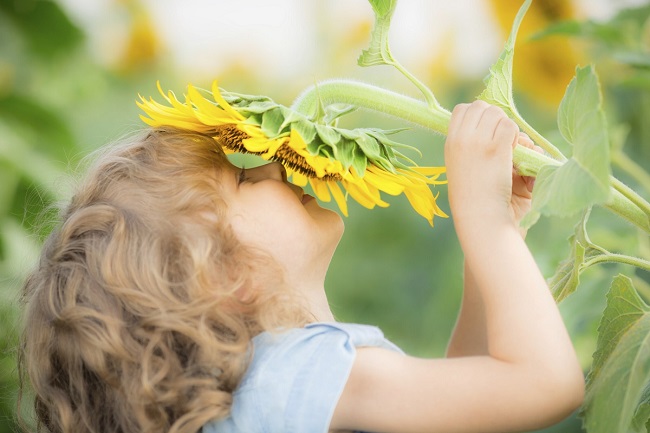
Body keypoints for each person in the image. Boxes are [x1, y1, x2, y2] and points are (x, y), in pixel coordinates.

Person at [19, 100, 584, 433]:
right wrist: (486, 222)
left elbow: (471, 405)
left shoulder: (264, 396)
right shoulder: (291, 376)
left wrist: (491, 238)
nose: (271, 168)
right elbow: (543, 383)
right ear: (223, 277)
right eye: (241, 178)